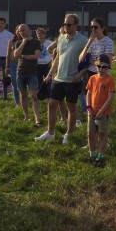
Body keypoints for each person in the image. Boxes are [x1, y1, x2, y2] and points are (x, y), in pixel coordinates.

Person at [35, 14, 87, 144]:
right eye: (65, 24)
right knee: (52, 105)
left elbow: (87, 61)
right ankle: (50, 133)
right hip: (58, 78)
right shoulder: (61, 38)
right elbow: (58, 58)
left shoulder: (83, 40)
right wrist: (49, 74)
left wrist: (80, 74)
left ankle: (68, 134)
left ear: (76, 25)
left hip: (72, 80)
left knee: (72, 108)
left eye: (69, 24)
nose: (66, 27)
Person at [85, 53, 116, 168]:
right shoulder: (92, 78)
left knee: (103, 134)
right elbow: (88, 93)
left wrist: (101, 111)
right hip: (92, 111)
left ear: (108, 67)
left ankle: (100, 155)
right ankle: (92, 154)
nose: (101, 69)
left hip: (104, 113)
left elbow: (110, 97)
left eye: (104, 67)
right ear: (96, 66)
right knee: (90, 133)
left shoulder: (110, 80)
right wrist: (89, 108)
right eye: (99, 66)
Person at [14, 24, 42, 125]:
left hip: (32, 73)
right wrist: (24, 42)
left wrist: (23, 56)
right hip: (20, 72)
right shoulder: (18, 43)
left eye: (24, 30)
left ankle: (37, 118)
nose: (22, 32)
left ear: (29, 30)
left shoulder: (36, 42)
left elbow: (36, 56)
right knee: (23, 95)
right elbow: (16, 55)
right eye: (20, 31)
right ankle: (26, 116)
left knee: (34, 96)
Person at [5, 26, 21, 105]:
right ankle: (17, 102)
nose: (20, 32)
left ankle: (23, 100)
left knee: (21, 82)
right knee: (14, 82)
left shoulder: (25, 41)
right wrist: (7, 66)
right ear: (16, 31)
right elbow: (8, 55)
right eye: (19, 31)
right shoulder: (11, 41)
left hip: (22, 63)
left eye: (22, 30)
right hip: (13, 63)